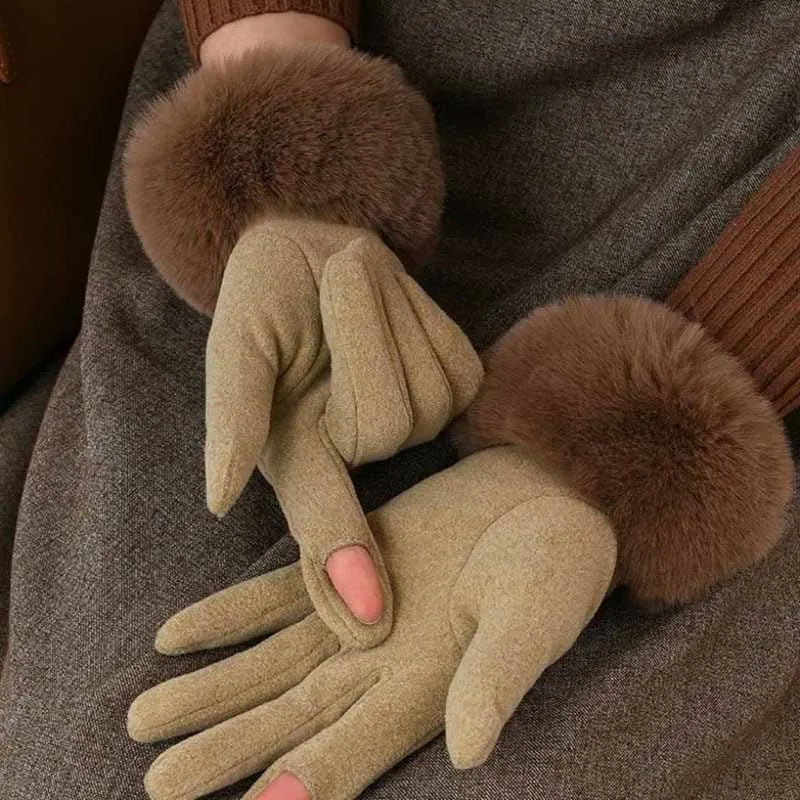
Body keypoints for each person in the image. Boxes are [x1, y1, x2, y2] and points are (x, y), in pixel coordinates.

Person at [0, 2, 798, 799]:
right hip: (322, 102)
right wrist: (292, 168)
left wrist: (642, 441)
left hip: (744, 288)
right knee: (84, 761)